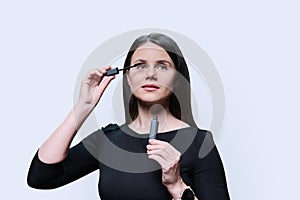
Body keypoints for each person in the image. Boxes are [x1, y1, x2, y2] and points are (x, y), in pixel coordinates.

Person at [27, 33, 230, 200]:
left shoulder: (200, 143)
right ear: (128, 79)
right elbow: (41, 176)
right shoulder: (107, 140)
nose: (151, 74)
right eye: (140, 65)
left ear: (177, 81)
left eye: (162, 66)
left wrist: (177, 186)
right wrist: (83, 106)